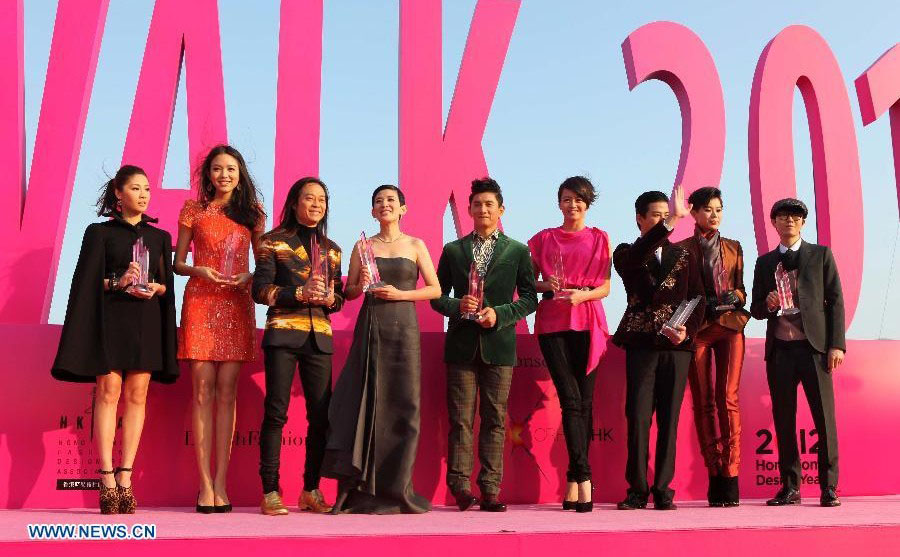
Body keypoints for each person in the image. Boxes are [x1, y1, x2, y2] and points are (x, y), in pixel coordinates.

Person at [52, 165, 178, 514]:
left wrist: (155, 287)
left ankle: (126, 478)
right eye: (135, 188)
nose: (143, 194)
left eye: (147, 189)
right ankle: (106, 478)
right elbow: (85, 283)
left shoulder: (160, 238)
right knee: (108, 393)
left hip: (147, 321)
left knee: (138, 396)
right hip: (111, 320)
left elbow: (167, 286)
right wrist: (118, 282)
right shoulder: (99, 233)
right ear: (119, 195)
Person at [323, 184, 441, 514]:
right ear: (373, 212)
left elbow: (434, 289)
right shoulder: (363, 245)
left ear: (403, 209)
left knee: (405, 406)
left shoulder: (416, 244)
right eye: (378, 201)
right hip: (371, 328)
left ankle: (398, 488)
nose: (385, 205)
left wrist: (400, 294)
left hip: (404, 330)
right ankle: (360, 490)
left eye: (391, 200)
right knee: (366, 403)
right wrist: (362, 283)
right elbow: (351, 293)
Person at [431, 177, 538, 512]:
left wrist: (502, 314)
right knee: (460, 419)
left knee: (494, 419)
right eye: (477, 204)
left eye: (489, 204)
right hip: (461, 345)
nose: (483, 209)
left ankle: (491, 489)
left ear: (500, 209)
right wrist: (456, 307)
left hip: (500, 345)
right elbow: (437, 295)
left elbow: (531, 298)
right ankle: (460, 487)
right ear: (469, 209)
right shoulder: (452, 250)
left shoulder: (518, 251)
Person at [173, 145, 265, 513]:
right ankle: (204, 485)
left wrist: (249, 276)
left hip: (236, 304)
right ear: (207, 175)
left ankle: (222, 485)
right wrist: (199, 270)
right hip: (200, 302)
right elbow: (178, 263)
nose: (223, 175)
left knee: (227, 394)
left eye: (230, 169)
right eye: (216, 169)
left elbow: (265, 267)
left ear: (240, 173)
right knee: (201, 392)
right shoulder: (192, 211)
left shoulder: (252, 215)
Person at [251, 177, 344, 515]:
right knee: (276, 413)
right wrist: (297, 294)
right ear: (294, 203)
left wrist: (333, 299)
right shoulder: (272, 242)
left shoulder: (332, 249)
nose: (316, 204)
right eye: (309, 198)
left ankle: (311, 489)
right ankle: (270, 490)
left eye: (322, 199)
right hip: (283, 335)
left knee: (321, 418)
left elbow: (335, 300)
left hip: (319, 337)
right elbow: (260, 290)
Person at [612, 185, 705, 511]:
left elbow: (698, 299)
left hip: (676, 348)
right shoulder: (626, 253)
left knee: (670, 419)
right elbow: (637, 259)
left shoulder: (685, 255)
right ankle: (636, 491)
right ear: (640, 219)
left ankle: (663, 489)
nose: (666, 221)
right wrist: (670, 224)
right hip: (641, 344)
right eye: (657, 216)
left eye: (667, 216)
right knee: (638, 419)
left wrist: (687, 332)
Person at [750, 198, 845, 507]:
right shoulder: (764, 263)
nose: (789, 221)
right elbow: (756, 309)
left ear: (803, 223)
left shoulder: (820, 255)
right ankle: (790, 487)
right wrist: (768, 304)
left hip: (815, 349)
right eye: (782, 216)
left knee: (824, 420)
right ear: (774, 223)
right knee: (784, 420)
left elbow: (836, 301)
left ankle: (829, 487)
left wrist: (836, 344)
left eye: (795, 216)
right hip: (780, 351)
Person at [527, 176, 611, 513]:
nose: (572, 205)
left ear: (587, 203)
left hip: (588, 319)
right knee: (571, 400)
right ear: (558, 203)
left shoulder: (600, 238)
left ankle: (576, 479)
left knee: (585, 403)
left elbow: (605, 287)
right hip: (552, 323)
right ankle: (584, 477)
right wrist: (545, 284)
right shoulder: (542, 239)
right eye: (566, 199)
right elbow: (526, 283)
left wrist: (582, 295)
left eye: (578, 199)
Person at [676, 187, 750, 507]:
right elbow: (678, 297)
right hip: (698, 330)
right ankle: (714, 473)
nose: (714, 214)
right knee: (703, 403)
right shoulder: (680, 250)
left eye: (719, 209)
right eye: (707, 209)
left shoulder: (734, 247)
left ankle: (731, 476)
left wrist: (737, 298)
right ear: (693, 213)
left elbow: (742, 291)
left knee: (728, 400)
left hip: (731, 327)